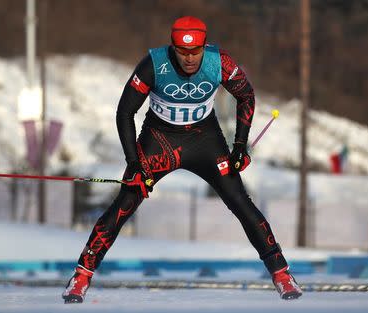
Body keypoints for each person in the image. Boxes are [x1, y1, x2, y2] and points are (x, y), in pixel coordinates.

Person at [62, 16, 303, 303]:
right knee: (125, 203)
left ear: (204, 45)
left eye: (195, 51)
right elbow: (124, 113)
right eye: (183, 52)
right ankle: (81, 275)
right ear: (173, 47)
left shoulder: (220, 62)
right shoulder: (153, 64)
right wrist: (135, 163)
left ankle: (281, 273)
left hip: (205, 140)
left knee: (240, 202)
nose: (189, 59)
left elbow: (246, 96)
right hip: (159, 141)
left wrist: (239, 146)